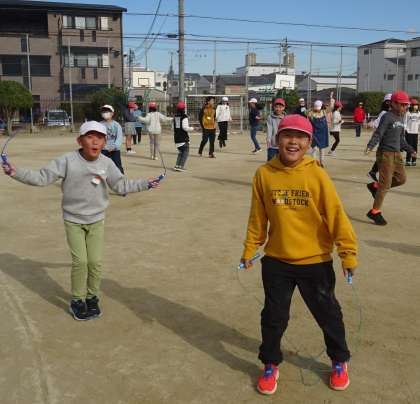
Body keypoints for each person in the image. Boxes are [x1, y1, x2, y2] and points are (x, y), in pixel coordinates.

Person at [240, 114, 357, 396]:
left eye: (301, 137)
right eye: (287, 135)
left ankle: (339, 360)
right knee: (273, 316)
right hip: (277, 261)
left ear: (309, 142)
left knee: (328, 314)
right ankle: (270, 364)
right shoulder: (264, 174)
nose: (293, 142)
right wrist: (250, 248)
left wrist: (348, 253)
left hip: (315, 261)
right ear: (277, 139)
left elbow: (336, 215)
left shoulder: (317, 174)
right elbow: (258, 217)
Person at [1, 121, 160, 320]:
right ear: (79, 140)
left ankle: (92, 297)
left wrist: (146, 183)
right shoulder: (67, 160)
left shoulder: (106, 163)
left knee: (95, 262)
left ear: (105, 142)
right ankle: (77, 300)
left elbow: (120, 185)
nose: (95, 142)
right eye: (90, 137)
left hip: (96, 220)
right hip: (73, 220)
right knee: (81, 262)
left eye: (100, 138)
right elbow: (42, 177)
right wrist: (15, 172)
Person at [365, 91, 416, 225]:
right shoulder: (387, 116)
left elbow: (401, 139)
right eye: (402, 104)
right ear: (393, 104)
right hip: (385, 154)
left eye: (406, 105)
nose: (405, 107)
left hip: (397, 154)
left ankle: (375, 186)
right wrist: (370, 145)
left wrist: (410, 150)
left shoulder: (401, 118)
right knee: (386, 184)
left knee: (401, 179)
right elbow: (379, 133)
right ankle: (374, 212)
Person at [367, 94, 392, 182]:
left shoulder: (391, 113)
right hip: (384, 138)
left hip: (389, 139)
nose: (390, 103)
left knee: (384, 157)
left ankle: (373, 172)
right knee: (385, 157)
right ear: (385, 103)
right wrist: (370, 124)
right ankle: (378, 175)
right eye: (388, 101)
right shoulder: (384, 113)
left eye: (392, 101)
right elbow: (376, 124)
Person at [100, 104, 124, 174]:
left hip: (114, 150)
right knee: (101, 166)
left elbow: (119, 138)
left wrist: (114, 146)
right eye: (103, 112)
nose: (105, 113)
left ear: (112, 113)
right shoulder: (99, 124)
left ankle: (121, 178)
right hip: (102, 149)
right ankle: (100, 179)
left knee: (117, 166)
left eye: (107, 111)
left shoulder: (116, 125)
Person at [173, 101, 194, 172]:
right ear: (184, 109)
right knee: (185, 152)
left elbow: (174, 127)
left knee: (180, 152)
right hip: (183, 138)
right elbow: (185, 127)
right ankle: (181, 166)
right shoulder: (184, 117)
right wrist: (192, 128)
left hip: (177, 138)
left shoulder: (176, 116)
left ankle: (177, 165)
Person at [308, 100, 329, 167]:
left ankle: (321, 162)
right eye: (316, 108)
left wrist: (331, 99)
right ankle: (314, 162)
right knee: (314, 148)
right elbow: (308, 121)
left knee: (322, 148)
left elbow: (331, 108)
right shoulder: (310, 113)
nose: (317, 110)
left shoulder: (324, 112)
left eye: (318, 108)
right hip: (314, 133)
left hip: (323, 133)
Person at [405, 99, 420, 166]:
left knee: (415, 147)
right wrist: (405, 130)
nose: (416, 106)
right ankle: (408, 160)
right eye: (414, 105)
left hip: (415, 132)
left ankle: (414, 160)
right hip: (409, 132)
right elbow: (405, 122)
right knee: (409, 147)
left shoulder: (419, 113)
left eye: (416, 105)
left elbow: (419, 123)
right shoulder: (408, 113)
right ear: (411, 106)